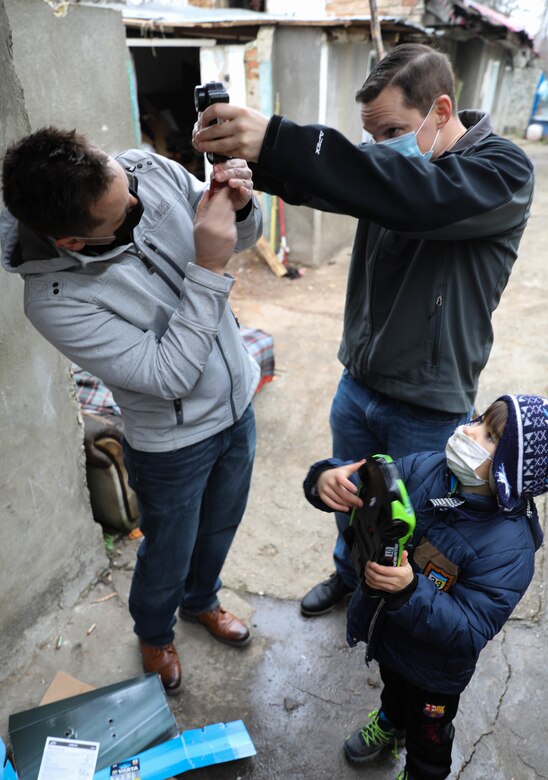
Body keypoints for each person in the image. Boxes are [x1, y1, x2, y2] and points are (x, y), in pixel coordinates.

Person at [192, 43, 535, 617]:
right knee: (351, 501)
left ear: (442, 111)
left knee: (415, 521)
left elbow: (416, 201)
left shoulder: (502, 171)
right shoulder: (393, 170)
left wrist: (277, 136)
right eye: (372, 136)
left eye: (393, 130)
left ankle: (398, 610)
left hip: (427, 400)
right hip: (360, 382)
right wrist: (261, 168)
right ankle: (348, 576)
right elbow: (348, 181)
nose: (380, 147)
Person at [0, 127, 263, 693]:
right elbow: (169, 375)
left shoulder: (143, 170)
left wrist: (241, 206)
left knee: (220, 526)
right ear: (72, 241)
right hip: (173, 443)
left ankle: (202, 602)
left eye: (131, 187)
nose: (143, 204)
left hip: (238, 403)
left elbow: (241, 234)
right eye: (124, 212)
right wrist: (210, 267)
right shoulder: (55, 300)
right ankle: (154, 633)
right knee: (167, 548)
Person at [303, 393, 547, 780]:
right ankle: (390, 721)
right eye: (478, 420)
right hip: (389, 633)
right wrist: (327, 479)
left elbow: (470, 630)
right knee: (394, 688)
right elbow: (368, 491)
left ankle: (421, 771)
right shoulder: (424, 467)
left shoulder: (509, 549)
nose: (467, 431)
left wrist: (408, 592)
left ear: (511, 470)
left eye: (488, 436)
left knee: (429, 735)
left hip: (436, 671)